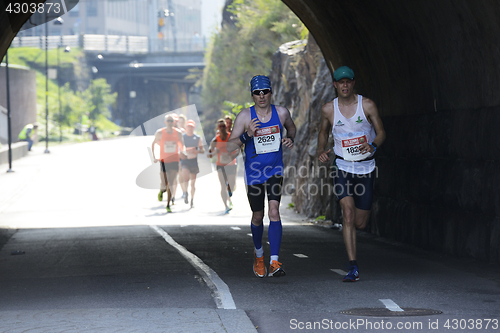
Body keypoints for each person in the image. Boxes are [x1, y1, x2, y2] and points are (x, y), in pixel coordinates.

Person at [317, 66, 386, 282]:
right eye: (340, 82)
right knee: (347, 213)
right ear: (335, 85)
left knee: (360, 223)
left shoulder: (367, 105)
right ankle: (353, 266)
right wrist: (321, 151)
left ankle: (353, 248)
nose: (344, 85)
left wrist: (373, 145)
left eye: (348, 81)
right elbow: (323, 131)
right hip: (343, 166)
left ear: (353, 83)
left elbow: (382, 131)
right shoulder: (329, 109)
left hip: (365, 167)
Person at [227, 75, 296, 278]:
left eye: (265, 91)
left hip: (275, 170)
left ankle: (274, 262)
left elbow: (291, 127)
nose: (262, 96)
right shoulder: (244, 117)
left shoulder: (281, 113)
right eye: (257, 93)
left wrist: (290, 138)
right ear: (252, 95)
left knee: (274, 211)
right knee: (258, 216)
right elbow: (230, 147)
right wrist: (247, 135)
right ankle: (259, 256)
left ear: (270, 92)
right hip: (254, 173)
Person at [152, 114, 186, 213]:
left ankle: (168, 204)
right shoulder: (160, 132)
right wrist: (154, 157)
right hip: (163, 160)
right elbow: (153, 143)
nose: (170, 123)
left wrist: (182, 152)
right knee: (164, 183)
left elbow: (181, 145)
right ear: (165, 122)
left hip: (174, 160)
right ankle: (162, 190)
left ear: (174, 122)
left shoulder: (178, 133)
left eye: (172, 121)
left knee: (171, 182)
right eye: (168, 121)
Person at [208, 119, 237, 214]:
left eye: (223, 126)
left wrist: (232, 155)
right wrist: (211, 154)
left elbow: (238, 149)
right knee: (223, 186)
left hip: (231, 164)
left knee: (231, 185)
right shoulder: (216, 139)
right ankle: (226, 206)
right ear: (217, 128)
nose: (222, 128)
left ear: (226, 127)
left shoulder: (231, 137)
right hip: (220, 165)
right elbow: (210, 151)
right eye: (220, 127)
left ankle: (230, 191)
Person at [181, 120, 204, 207]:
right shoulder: (182, 137)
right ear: (186, 128)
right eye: (188, 126)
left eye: (191, 127)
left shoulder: (197, 138)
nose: (190, 128)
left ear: (194, 128)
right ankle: (185, 192)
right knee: (185, 178)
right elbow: (179, 148)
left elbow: (202, 150)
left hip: (193, 161)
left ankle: (192, 200)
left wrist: (196, 151)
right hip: (185, 161)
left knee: (193, 183)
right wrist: (182, 152)